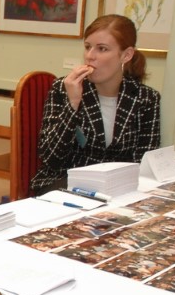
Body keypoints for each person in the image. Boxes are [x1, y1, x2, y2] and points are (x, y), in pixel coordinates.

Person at [30, 14, 161, 195]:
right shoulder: (63, 88)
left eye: (102, 49)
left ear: (126, 55)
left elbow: (144, 163)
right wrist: (72, 104)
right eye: (87, 47)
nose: (90, 56)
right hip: (65, 184)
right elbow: (51, 159)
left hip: (118, 188)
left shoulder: (146, 98)